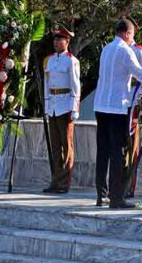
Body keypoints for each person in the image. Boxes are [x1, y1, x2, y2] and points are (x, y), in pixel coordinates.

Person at [93, 19, 142, 209]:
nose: (132, 39)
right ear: (127, 33)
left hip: (101, 106)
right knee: (118, 153)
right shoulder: (125, 51)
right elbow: (139, 74)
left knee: (103, 152)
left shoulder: (106, 49)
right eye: (132, 35)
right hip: (117, 108)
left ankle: (101, 195)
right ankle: (117, 198)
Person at [42, 26, 81, 194]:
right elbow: (46, 84)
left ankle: (64, 182)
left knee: (66, 145)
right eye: (55, 39)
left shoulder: (71, 61)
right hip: (53, 105)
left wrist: (75, 107)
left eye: (60, 39)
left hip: (65, 104)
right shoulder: (49, 60)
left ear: (67, 41)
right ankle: (56, 180)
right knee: (55, 146)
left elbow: (75, 85)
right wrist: (46, 104)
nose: (57, 42)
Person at [125, 17, 142, 199]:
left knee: (131, 144)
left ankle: (128, 185)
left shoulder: (139, 52)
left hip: (134, 101)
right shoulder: (117, 48)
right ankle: (118, 182)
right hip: (119, 102)